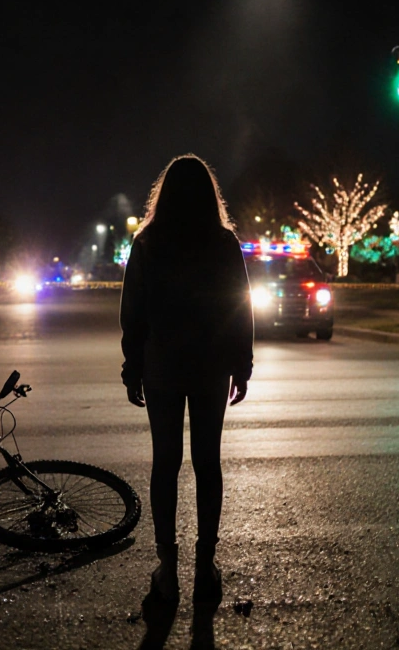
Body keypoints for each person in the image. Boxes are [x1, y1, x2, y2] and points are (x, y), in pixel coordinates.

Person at [120, 154, 254, 604]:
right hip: (210, 365)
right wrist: (242, 362)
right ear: (209, 196)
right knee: (207, 463)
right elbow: (241, 304)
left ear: (166, 195)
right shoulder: (222, 242)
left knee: (165, 464)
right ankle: (205, 566)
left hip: (162, 365)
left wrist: (132, 366)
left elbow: (133, 313)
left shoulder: (149, 242)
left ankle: (167, 566)